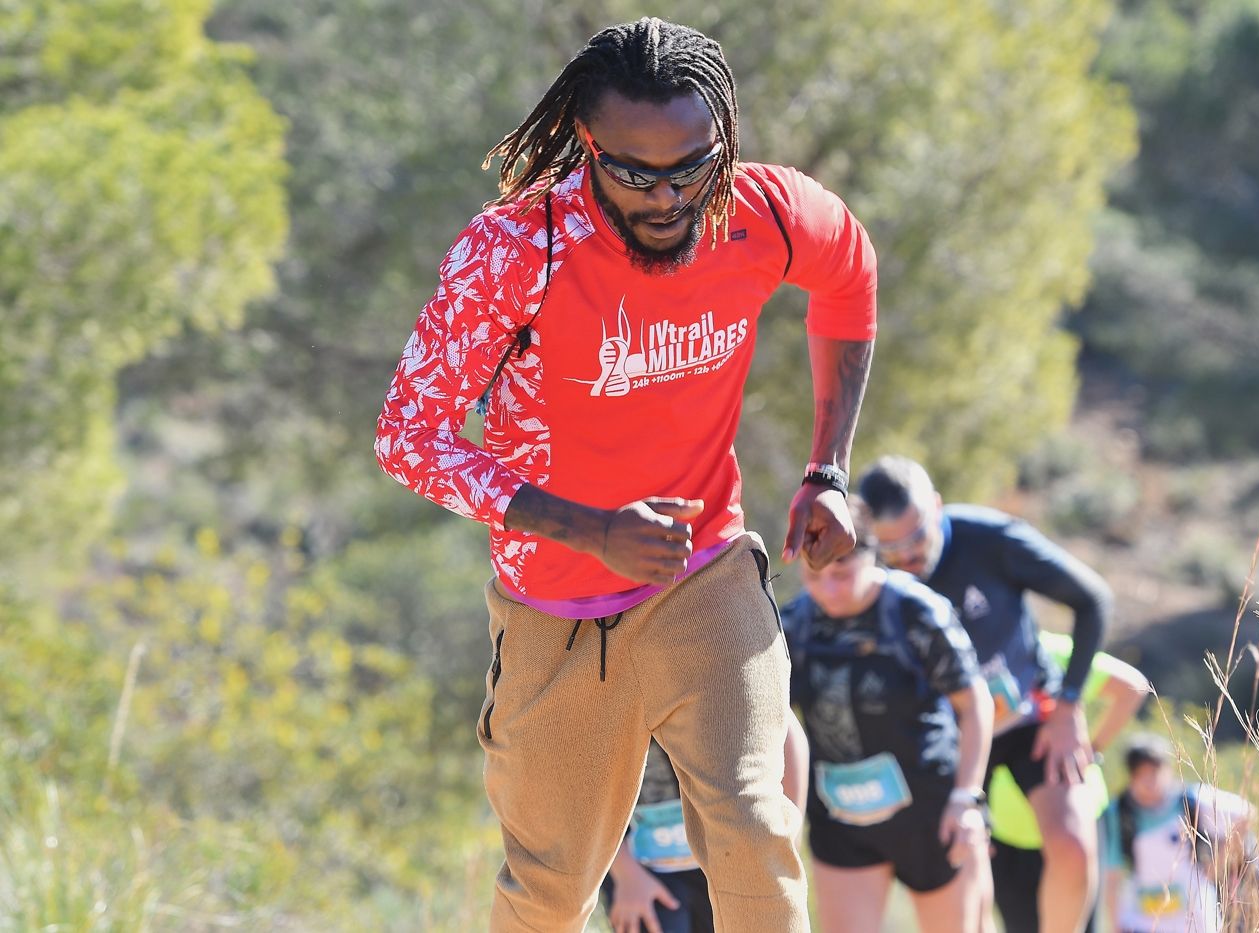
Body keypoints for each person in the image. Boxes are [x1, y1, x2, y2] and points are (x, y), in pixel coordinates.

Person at [374, 17, 877, 932]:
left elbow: (850, 274)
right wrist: (587, 527)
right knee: (550, 888)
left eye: (689, 165)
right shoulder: (518, 250)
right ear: (584, 143)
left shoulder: (761, 213)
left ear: (722, 139)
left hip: (705, 574)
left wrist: (828, 470)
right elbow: (409, 435)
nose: (665, 195)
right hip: (556, 615)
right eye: (631, 171)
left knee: (755, 824)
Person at [857, 455, 1113, 933]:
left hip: (1028, 718)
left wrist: (1069, 705)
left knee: (1074, 848)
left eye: (917, 538)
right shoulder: (864, 576)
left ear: (936, 506)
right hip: (942, 738)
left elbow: (1092, 599)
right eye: (891, 550)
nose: (909, 558)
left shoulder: (990, 539)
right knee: (965, 884)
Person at [781, 496, 994, 933]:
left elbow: (975, 705)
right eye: (814, 578)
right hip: (841, 820)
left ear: (871, 556)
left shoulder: (917, 613)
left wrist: (966, 799)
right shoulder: (794, 624)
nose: (829, 591)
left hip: (931, 814)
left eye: (842, 575)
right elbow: (777, 727)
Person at [987, 632, 1151, 932]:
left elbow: (1135, 686)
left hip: (1073, 824)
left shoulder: (1048, 650)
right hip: (1009, 830)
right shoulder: (1041, 647)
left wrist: (1091, 749)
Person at [602, 713, 810, 933]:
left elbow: (784, 726)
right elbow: (579, 774)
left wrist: (784, 849)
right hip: (642, 872)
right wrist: (625, 873)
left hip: (734, 866)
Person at [1103, 735, 1259, 933]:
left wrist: (1217, 864)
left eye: (1154, 773)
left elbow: (1245, 814)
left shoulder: (1192, 800)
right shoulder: (1119, 813)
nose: (1150, 782)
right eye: (1142, 774)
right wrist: (1115, 924)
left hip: (1196, 916)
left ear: (1167, 771)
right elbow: (1112, 875)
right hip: (1140, 918)